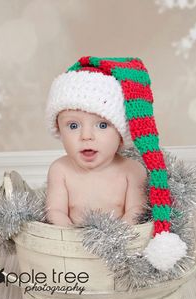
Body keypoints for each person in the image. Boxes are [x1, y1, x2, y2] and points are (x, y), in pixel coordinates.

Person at [45, 56, 187, 271]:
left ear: (121, 134)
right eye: (73, 125)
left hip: (119, 253)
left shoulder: (132, 171)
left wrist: (114, 240)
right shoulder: (60, 170)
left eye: (102, 125)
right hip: (73, 257)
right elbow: (55, 211)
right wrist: (72, 240)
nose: (86, 136)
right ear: (58, 129)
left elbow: (135, 212)